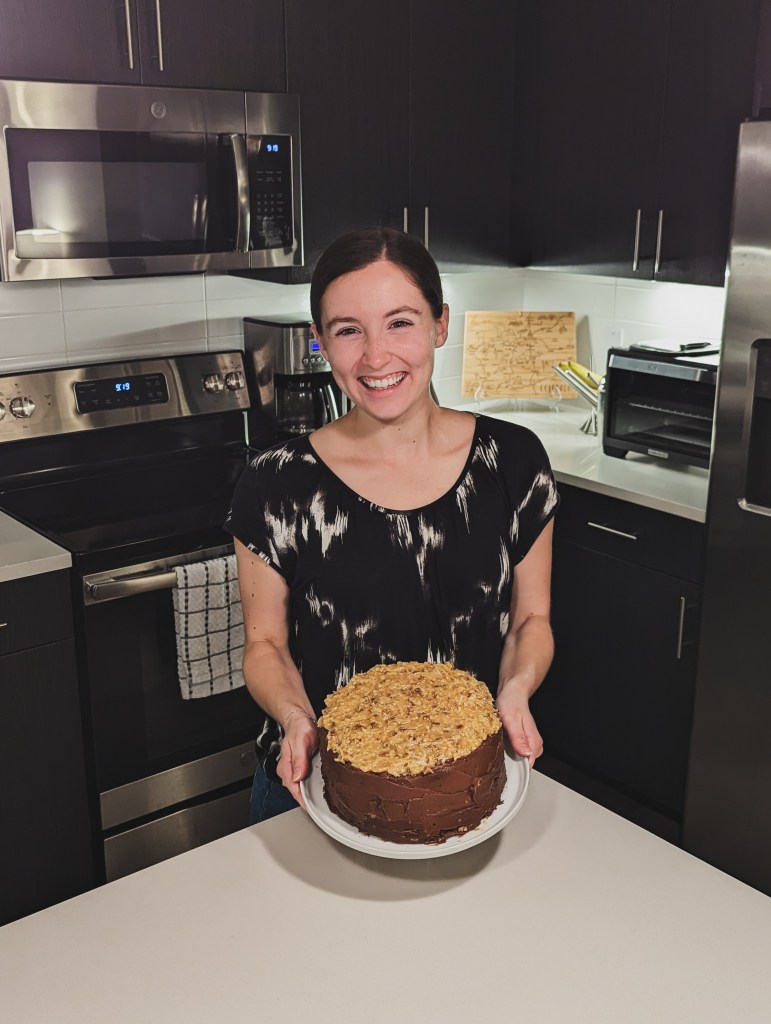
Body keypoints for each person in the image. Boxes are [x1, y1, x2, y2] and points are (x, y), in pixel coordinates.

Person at [225, 226, 559, 824]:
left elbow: (531, 619)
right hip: (309, 786)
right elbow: (265, 645)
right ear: (320, 344)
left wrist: (517, 691)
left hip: (470, 784)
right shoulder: (275, 482)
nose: (376, 357)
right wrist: (297, 720)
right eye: (348, 330)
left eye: (400, 322)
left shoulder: (514, 461)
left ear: (441, 324)